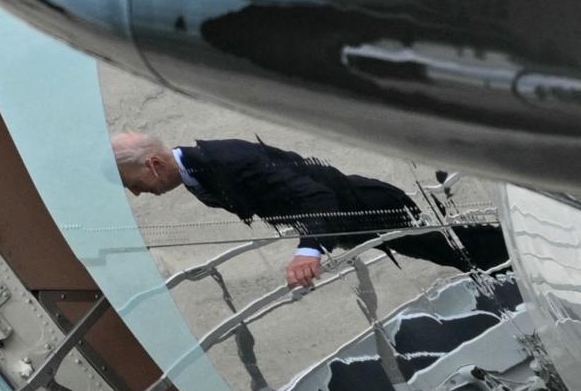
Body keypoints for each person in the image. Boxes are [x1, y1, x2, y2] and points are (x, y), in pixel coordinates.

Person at [111, 132, 508, 287]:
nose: (139, 195)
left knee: (458, 248)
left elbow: (318, 197)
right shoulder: (200, 171)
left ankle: (526, 258)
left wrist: (308, 250)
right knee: (452, 251)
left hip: (367, 208)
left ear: (154, 165)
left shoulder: (227, 162)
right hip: (359, 218)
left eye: (135, 184)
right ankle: (515, 262)